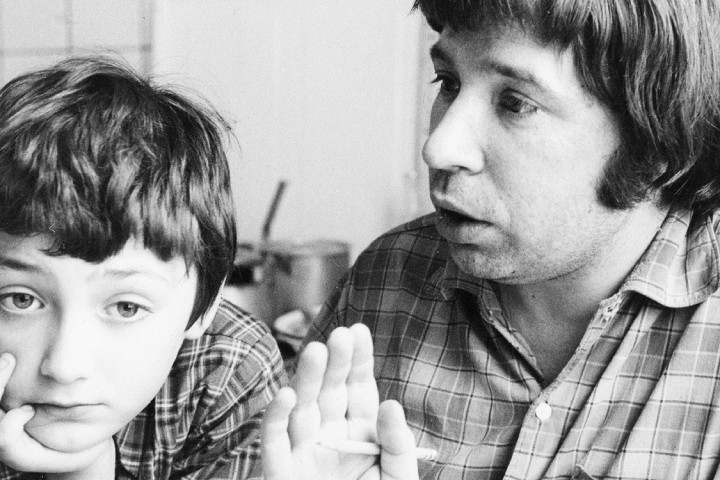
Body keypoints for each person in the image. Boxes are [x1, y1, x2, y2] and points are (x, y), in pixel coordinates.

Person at [261, 0, 720, 479]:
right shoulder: (385, 281)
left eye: (515, 103)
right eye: (448, 83)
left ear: (656, 141)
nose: (438, 147)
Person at [0, 56, 285, 479]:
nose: (64, 366)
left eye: (126, 307)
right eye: (20, 300)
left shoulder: (228, 368)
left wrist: (83, 472)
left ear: (203, 305)